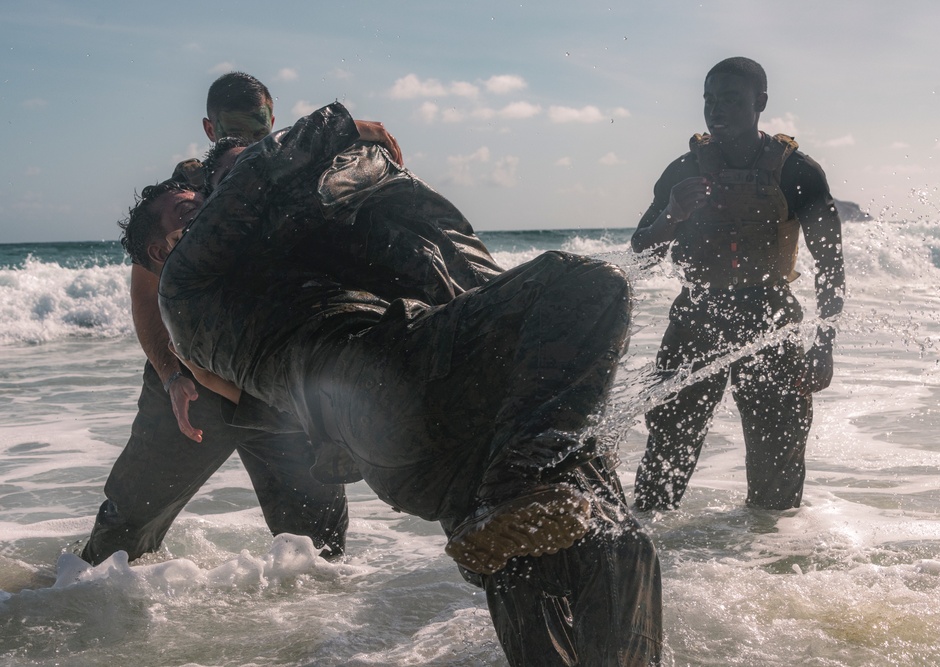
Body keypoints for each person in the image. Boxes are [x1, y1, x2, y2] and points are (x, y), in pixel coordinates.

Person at [154, 101, 663, 665]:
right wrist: (344, 127)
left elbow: (453, 267)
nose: (214, 203)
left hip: (436, 415)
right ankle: (519, 479)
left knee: (584, 549)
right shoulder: (201, 275)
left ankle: (514, 491)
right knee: (590, 284)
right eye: (202, 197)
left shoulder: (305, 240)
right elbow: (261, 183)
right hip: (410, 382)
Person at [77, 71, 407, 564]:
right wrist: (170, 377)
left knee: (318, 555)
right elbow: (146, 297)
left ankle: (312, 642)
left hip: (279, 389)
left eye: (261, 133)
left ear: (275, 122)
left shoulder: (304, 170)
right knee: (122, 532)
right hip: (195, 391)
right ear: (210, 131)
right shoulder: (181, 196)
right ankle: (61, 607)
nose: (252, 148)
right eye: (236, 136)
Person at [630, 57, 846, 512]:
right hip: (695, 319)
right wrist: (672, 216)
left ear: (760, 103)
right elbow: (640, 254)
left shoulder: (797, 172)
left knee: (777, 479)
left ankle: (764, 565)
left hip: (769, 321)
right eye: (709, 100)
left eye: (730, 99)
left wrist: (823, 347)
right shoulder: (683, 171)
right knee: (663, 464)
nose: (716, 110)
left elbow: (831, 267)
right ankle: (651, 561)